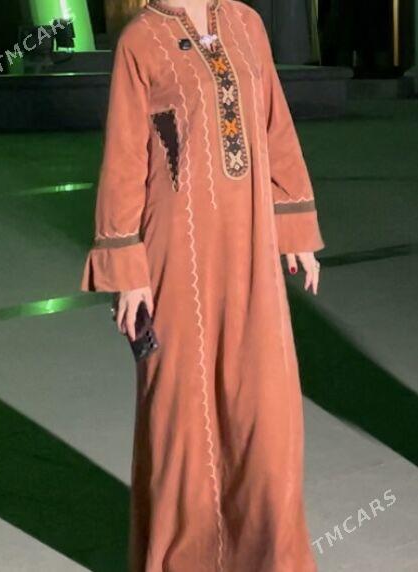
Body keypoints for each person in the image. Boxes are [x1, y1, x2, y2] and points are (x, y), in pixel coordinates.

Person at [80, 0, 325, 569]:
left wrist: (296, 223)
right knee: (181, 412)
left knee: (265, 405)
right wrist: (126, 269)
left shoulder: (245, 23)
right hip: (176, 256)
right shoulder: (141, 40)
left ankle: (267, 555)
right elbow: (123, 159)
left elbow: (276, 125)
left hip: (252, 247)